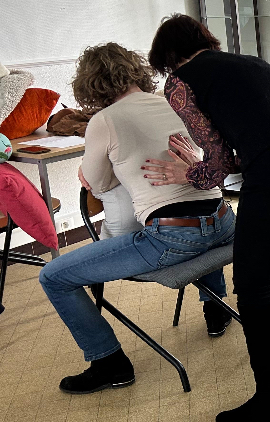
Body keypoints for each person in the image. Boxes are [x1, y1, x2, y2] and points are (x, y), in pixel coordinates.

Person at [143, 14, 270, 422]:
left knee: (252, 286)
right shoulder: (252, 63)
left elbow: (216, 163)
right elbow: (260, 138)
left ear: (167, 58)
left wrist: (189, 174)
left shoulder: (180, 83)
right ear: (205, 39)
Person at [39, 42, 236, 394]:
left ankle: (109, 363)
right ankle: (216, 309)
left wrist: (102, 171)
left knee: (54, 275)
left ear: (90, 85)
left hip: (173, 240)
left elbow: (97, 183)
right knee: (196, 210)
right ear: (137, 71)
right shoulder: (174, 104)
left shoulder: (104, 120)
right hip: (225, 224)